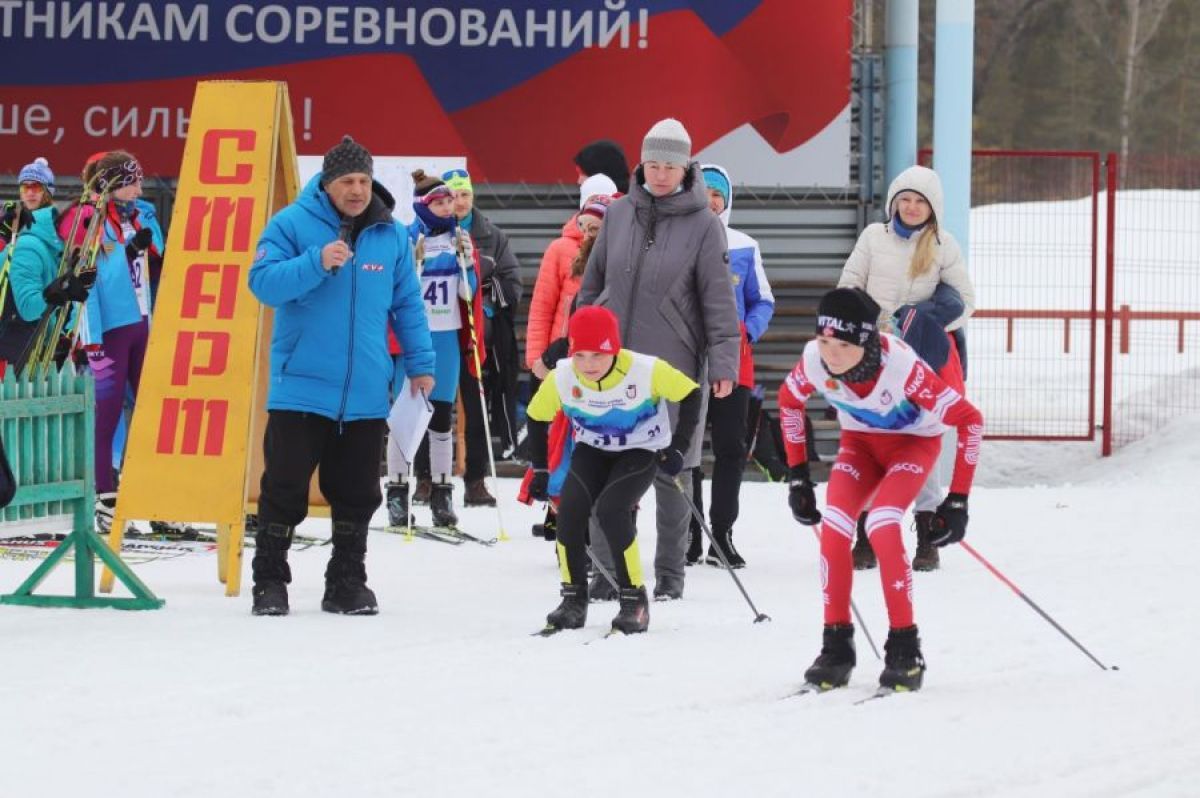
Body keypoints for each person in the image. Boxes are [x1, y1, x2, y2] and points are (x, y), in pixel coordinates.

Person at [247, 135, 435, 616]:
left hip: (366, 390)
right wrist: (315, 262)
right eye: (347, 181)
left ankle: (347, 582)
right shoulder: (290, 224)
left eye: (363, 181)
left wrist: (421, 364)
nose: (356, 190)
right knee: (284, 488)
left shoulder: (390, 235)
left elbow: (407, 304)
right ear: (327, 183)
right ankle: (270, 581)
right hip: (301, 387)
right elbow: (262, 283)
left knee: (357, 493)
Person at [782, 287, 983, 692]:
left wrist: (958, 500)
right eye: (824, 342)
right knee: (835, 527)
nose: (832, 355)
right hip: (860, 445)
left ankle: (905, 649)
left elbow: (970, 420)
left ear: (866, 341)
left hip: (913, 444)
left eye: (843, 345)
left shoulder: (901, 367)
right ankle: (836, 648)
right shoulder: (814, 360)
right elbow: (789, 402)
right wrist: (798, 475)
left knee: (883, 524)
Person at [577, 117, 741, 602]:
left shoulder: (705, 225)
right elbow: (592, 283)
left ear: (685, 167)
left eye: (670, 166)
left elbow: (718, 301)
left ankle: (670, 574)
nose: (661, 174)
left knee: (672, 471)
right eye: (653, 164)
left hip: (673, 361)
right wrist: (581, 336)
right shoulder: (619, 213)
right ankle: (606, 571)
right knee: (604, 461)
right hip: (609, 366)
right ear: (642, 164)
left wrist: (724, 362)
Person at [526, 306, 700, 635]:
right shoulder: (563, 375)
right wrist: (540, 471)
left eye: (598, 355)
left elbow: (691, 393)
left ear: (614, 350)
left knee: (611, 510)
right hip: (593, 450)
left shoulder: (646, 370)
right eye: (580, 355)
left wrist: (678, 446)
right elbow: (536, 417)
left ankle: (634, 601)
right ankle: (573, 600)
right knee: (569, 513)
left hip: (641, 449)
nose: (588, 365)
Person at [838, 164, 975, 572]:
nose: (912, 207)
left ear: (933, 208)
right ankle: (866, 535)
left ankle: (927, 535)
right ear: (894, 202)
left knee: (921, 440)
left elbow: (966, 303)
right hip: (873, 355)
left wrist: (920, 322)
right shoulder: (872, 237)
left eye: (920, 202)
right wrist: (868, 324)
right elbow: (848, 285)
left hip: (920, 360)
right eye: (905, 200)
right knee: (870, 439)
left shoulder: (943, 245)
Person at [56, 152, 164, 533]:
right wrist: (90, 341)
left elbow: (157, 259)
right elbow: (89, 277)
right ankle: (103, 495)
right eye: (133, 181)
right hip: (109, 330)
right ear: (112, 184)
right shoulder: (86, 217)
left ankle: (154, 493)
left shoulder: (135, 215)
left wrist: (144, 245)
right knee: (107, 415)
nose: (140, 188)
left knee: (150, 410)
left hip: (140, 323)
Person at [687, 163, 775, 569]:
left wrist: (748, 332)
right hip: (686, 358)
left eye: (717, 194)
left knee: (730, 447)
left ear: (727, 201)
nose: (710, 200)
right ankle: (690, 531)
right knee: (686, 448)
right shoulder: (677, 239)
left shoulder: (745, 245)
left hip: (734, 362)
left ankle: (721, 533)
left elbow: (763, 301)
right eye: (703, 192)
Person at [384, 169, 483, 530]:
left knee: (442, 416)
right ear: (423, 206)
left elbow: (467, 296)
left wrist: (467, 265)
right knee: (405, 415)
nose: (447, 207)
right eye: (439, 202)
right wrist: (416, 264)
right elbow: (397, 289)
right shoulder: (407, 237)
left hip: (445, 336)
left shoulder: (460, 239)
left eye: (449, 201)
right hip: (413, 338)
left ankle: (442, 494)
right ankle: (397, 493)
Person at [519, 193, 616, 540]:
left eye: (596, 228)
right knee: (562, 442)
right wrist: (540, 356)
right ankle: (563, 517)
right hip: (566, 359)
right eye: (584, 226)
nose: (588, 234)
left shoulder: (618, 262)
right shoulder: (562, 250)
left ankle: (598, 525)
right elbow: (543, 306)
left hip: (603, 365)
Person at [446, 167, 522, 500]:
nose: (459, 202)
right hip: (439, 331)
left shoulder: (492, 235)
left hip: (475, 334)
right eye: (452, 196)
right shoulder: (428, 233)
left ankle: (475, 479)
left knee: (476, 407)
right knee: (431, 406)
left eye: (465, 195)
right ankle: (426, 477)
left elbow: (512, 281)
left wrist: (486, 304)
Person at [1, 157, 56, 251]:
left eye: (36, 187)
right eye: (25, 187)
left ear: (48, 192)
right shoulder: (12, 216)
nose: (30, 193)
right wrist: (3, 234)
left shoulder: (56, 221)